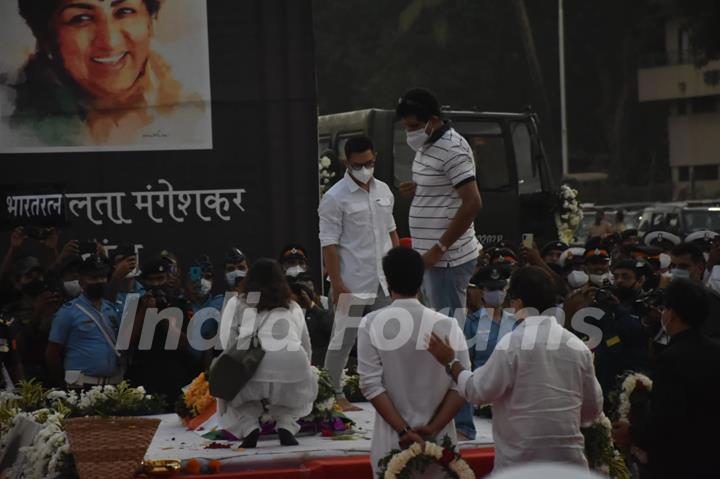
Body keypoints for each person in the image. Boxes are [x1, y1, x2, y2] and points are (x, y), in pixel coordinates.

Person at [427, 266, 603, 471]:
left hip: (521, 466)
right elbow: (592, 409)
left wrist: (451, 362)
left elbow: (477, 391)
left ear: (517, 302)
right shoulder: (578, 347)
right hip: (569, 466)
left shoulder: (513, 344)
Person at [5, 0, 204, 146]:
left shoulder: (192, 109)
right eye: (81, 19)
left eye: (124, 11)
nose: (110, 42)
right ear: (45, 36)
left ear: (150, 22)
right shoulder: (14, 121)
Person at [358, 247, 470, 478]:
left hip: (392, 442)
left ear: (387, 282)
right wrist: (432, 430)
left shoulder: (371, 323)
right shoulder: (448, 324)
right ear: (421, 281)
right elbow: (462, 385)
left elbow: (370, 385)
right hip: (440, 445)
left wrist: (405, 431)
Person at [318, 135, 399, 411]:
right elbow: (329, 245)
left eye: (370, 162)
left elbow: (392, 232)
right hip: (351, 279)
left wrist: (400, 271)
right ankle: (332, 396)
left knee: (391, 339)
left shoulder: (385, 191)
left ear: (375, 156)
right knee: (342, 341)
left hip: (384, 279)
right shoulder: (334, 198)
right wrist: (337, 283)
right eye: (359, 164)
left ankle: (390, 394)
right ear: (346, 163)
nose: (365, 168)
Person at [613, 279, 720, 479]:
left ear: (672, 314)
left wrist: (633, 433)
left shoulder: (671, 359)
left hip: (680, 463)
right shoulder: (715, 350)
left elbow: (667, 419)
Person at [396, 88, 482, 317]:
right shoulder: (427, 144)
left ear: (433, 120)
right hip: (429, 258)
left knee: (448, 333)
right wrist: (419, 188)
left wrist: (439, 249)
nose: (409, 132)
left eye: (413, 126)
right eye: (406, 127)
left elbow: (472, 203)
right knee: (435, 327)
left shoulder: (452, 149)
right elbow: (444, 185)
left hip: (446, 261)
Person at [218, 259, 316, 448]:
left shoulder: (236, 302)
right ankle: (286, 425)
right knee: (292, 393)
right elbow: (305, 344)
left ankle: (249, 426)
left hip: (252, 364)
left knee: (229, 387)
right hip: (294, 362)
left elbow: (227, 343)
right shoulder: (292, 306)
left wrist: (237, 366)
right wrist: (305, 371)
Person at [455, 265, 516, 441]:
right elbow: (466, 363)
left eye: (500, 288)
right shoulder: (471, 323)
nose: (496, 293)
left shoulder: (515, 323)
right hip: (480, 398)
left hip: (509, 396)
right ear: (482, 291)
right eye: (491, 289)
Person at [45, 255, 123, 388]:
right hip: (81, 383)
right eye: (93, 278)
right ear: (81, 282)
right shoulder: (68, 312)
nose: (99, 281)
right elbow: (52, 352)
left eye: (102, 277)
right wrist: (60, 381)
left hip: (112, 383)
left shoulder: (111, 309)